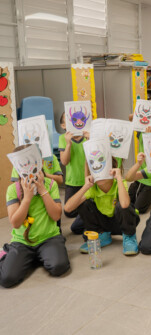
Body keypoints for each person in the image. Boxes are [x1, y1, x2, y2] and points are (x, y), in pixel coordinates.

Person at [0, 145, 70, 288]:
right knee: (7, 279)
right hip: (22, 242)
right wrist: (26, 198)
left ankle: (39, 255)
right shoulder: (13, 189)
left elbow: (56, 215)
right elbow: (15, 223)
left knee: (60, 267)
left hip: (48, 237)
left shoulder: (51, 185)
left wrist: (43, 190)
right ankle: (10, 253)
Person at [64, 158, 140, 256]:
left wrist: (119, 178)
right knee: (83, 203)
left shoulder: (119, 183)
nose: (99, 176)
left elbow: (125, 204)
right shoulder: (93, 188)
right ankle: (101, 235)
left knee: (121, 205)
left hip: (122, 223)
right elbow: (67, 208)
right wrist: (86, 186)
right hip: (104, 224)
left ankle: (129, 237)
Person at [59, 112, 88, 235]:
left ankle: (85, 209)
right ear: (63, 126)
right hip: (72, 181)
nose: (77, 122)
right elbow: (65, 162)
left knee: (85, 204)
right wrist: (68, 144)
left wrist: (90, 140)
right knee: (69, 212)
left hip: (88, 182)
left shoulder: (88, 137)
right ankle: (84, 208)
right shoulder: (62, 139)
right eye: (71, 120)